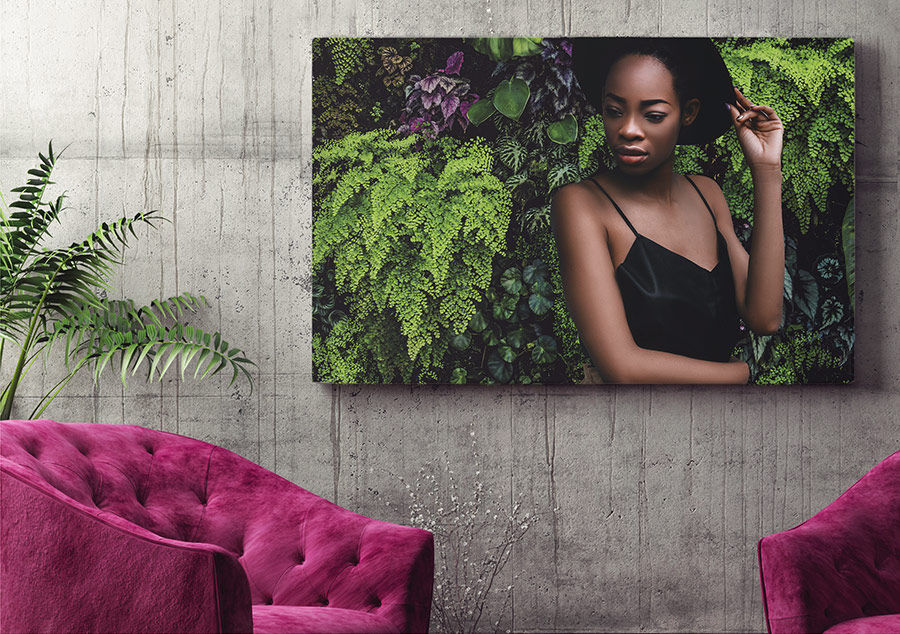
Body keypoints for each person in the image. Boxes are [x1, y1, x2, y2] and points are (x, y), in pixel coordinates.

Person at [552, 38, 785, 384]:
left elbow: (764, 317)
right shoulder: (581, 205)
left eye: (654, 115)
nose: (628, 129)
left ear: (687, 113)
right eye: (614, 111)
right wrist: (739, 374)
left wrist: (767, 172)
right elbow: (623, 368)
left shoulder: (706, 193)